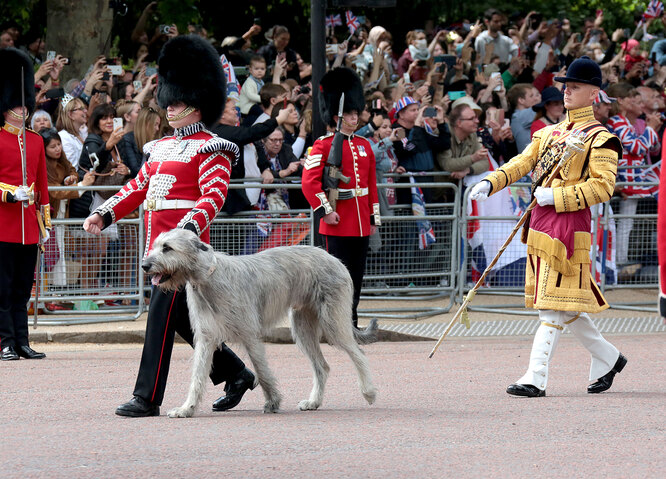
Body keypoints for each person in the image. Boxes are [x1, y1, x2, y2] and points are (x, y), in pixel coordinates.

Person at [83, 36, 256, 417]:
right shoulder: (158, 148)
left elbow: (211, 198)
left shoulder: (214, 147)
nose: (171, 107)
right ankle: (237, 372)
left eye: (177, 102)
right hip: (156, 250)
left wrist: (184, 235)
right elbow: (137, 187)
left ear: (197, 105)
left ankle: (146, 398)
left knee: (160, 320)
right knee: (182, 320)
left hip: (183, 255)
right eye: (170, 101)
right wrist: (105, 213)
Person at [469, 57, 627, 397]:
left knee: (550, 305)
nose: (567, 90)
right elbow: (522, 162)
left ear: (594, 93)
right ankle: (608, 357)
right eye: (566, 85)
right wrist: (491, 181)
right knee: (563, 303)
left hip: (570, 226)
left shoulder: (602, 138)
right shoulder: (549, 132)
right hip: (542, 224)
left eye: (576, 86)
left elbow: (602, 188)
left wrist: (555, 197)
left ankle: (535, 376)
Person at [301, 67, 380, 328]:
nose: (354, 117)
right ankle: (335, 323)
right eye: (349, 113)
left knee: (356, 276)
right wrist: (326, 211)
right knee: (336, 278)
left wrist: (372, 218)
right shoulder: (323, 145)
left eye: (356, 113)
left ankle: (351, 321)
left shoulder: (364, 145)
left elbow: (370, 186)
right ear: (337, 116)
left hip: (359, 224)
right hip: (337, 221)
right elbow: (309, 183)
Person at [0, 48, 49, 361]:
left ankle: (21, 341)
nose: (23, 109)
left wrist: (44, 224)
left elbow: (42, 187)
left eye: (25, 104)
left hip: (28, 227)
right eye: (17, 104)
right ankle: (5, 341)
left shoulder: (36, 140)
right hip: (3, 225)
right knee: (2, 291)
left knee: (22, 290)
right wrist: (7, 193)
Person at [56, 95, 88, 169]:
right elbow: (72, 169)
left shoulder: (82, 133)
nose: (85, 111)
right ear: (70, 115)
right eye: (81, 109)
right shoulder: (64, 137)